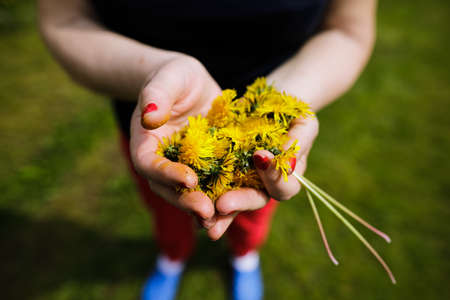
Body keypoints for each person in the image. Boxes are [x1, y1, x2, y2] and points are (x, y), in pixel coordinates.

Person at [38, 0, 376, 299]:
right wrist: (153, 73)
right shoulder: (167, 140)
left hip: (262, 119)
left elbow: (347, 30)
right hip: (159, 130)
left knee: (251, 213)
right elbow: (63, 19)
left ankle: (244, 256)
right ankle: (172, 256)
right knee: (167, 206)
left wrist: (281, 102)